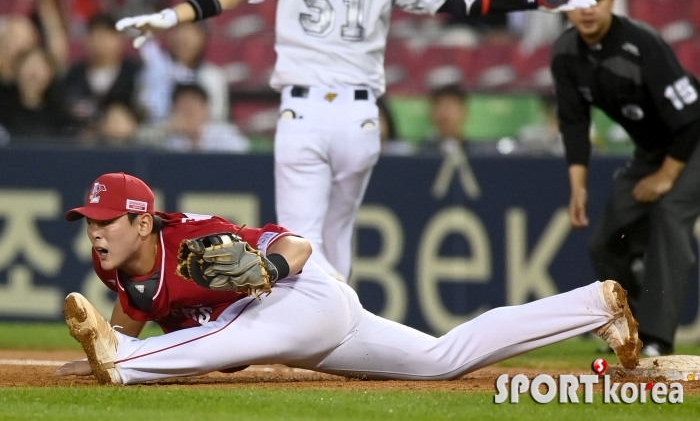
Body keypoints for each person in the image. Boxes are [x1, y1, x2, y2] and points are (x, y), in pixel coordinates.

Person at [115, 0, 593, 281]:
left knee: (300, 241)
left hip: (301, 114)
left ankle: (314, 340)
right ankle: (340, 333)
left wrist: (173, 15)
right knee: (337, 240)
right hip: (359, 119)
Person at [57, 171, 640, 385]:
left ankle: (129, 367)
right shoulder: (117, 265)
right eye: (90, 222)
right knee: (442, 358)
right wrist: (107, 345)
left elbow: (299, 245)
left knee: (225, 335)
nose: (95, 232)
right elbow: (132, 310)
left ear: (140, 219)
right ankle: (594, 306)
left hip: (298, 296)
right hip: (307, 332)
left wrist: (269, 266)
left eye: (106, 222)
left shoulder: (193, 237)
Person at [550, 0, 700, 357]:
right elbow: (574, 123)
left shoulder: (641, 44)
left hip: (692, 143)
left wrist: (667, 177)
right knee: (605, 240)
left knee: (669, 215)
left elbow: (691, 118)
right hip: (653, 150)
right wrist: (577, 188)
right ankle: (626, 330)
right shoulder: (565, 53)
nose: (587, 7)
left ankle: (656, 339)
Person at [63, 13, 142, 132]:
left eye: (107, 35)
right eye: (96, 35)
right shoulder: (73, 75)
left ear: (120, 40)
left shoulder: (135, 73)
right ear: (86, 40)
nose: (101, 42)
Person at [137, 83, 249, 152]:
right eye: (184, 106)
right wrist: (167, 128)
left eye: (194, 107)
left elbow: (242, 157)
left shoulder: (224, 135)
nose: (189, 111)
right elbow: (137, 140)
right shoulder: (166, 138)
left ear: (206, 111)